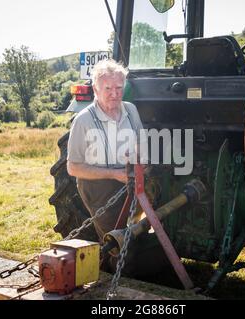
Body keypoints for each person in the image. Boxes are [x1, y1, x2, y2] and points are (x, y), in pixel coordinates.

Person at [66, 59, 169, 278]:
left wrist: (142, 163)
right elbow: (73, 167)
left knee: (134, 232)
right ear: (95, 89)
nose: (114, 93)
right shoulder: (83, 120)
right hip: (98, 186)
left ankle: (113, 274)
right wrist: (113, 174)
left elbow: (140, 142)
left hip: (130, 179)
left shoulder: (130, 110)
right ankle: (122, 287)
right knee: (119, 240)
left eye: (119, 88)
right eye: (108, 88)